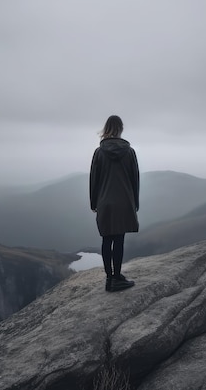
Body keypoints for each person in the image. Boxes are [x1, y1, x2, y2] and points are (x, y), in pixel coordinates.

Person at [90, 115, 139, 292]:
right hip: (124, 201)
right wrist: (135, 203)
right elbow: (135, 179)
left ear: (106, 129)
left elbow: (94, 180)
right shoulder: (129, 151)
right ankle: (117, 277)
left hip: (105, 202)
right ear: (120, 129)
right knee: (119, 240)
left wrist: (94, 202)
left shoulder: (99, 152)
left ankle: (110, 279)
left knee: (106, 240)